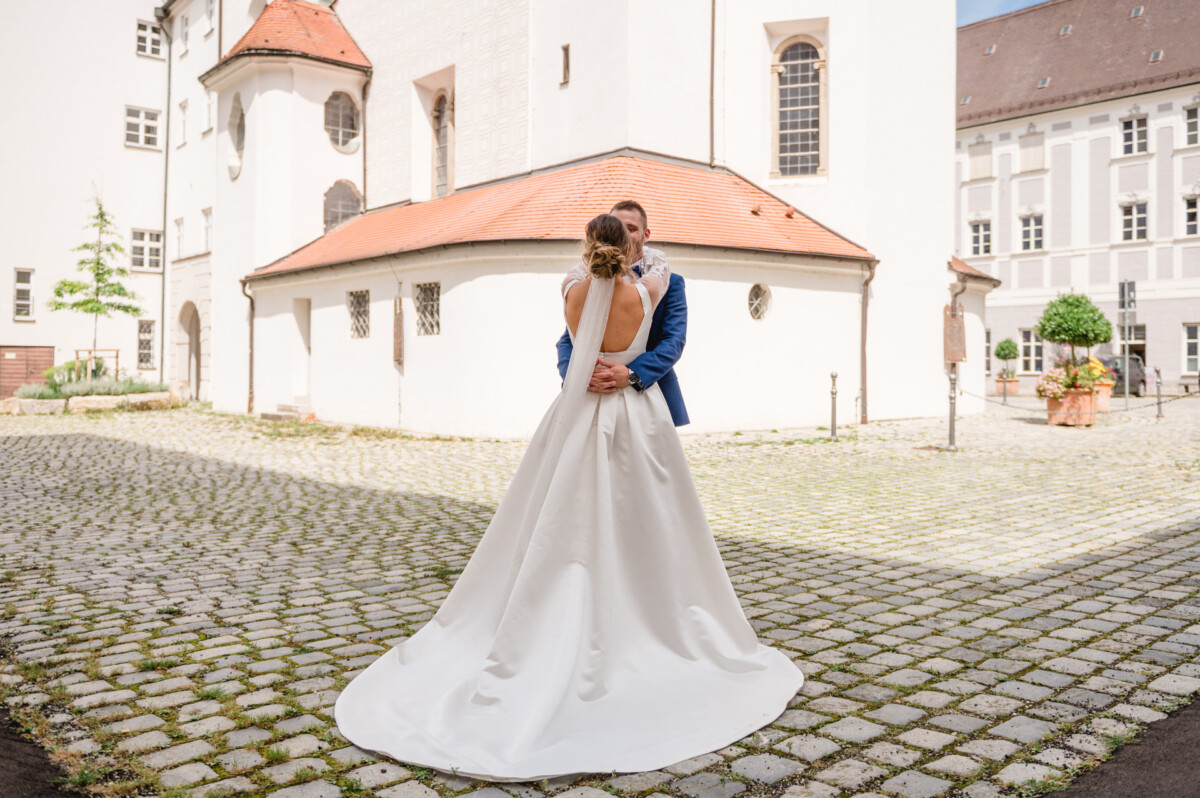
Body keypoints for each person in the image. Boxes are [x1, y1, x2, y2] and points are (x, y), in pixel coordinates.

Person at [334, 214, 803, 782]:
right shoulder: (649, 284)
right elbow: (583, 341)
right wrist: (595, 370)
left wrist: (611, 373)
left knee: (596, 513)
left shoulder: (573, 287)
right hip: (625, 412)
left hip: (598, 406)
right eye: (624, 228)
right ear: (625, 240)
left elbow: (665, 342)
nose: (632, 235)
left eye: (637, 226)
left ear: (609, 240)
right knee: (617, 508)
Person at [556, 200, 690, 426]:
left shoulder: (670, 283)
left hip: (646, 393)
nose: (623, 234)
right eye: (618, 227)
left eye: (631, 229)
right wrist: (578, 374)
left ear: (646, 235)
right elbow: (567, 339)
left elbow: (673, 342)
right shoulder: (585, 284)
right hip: (589, 393)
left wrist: (631, 374)